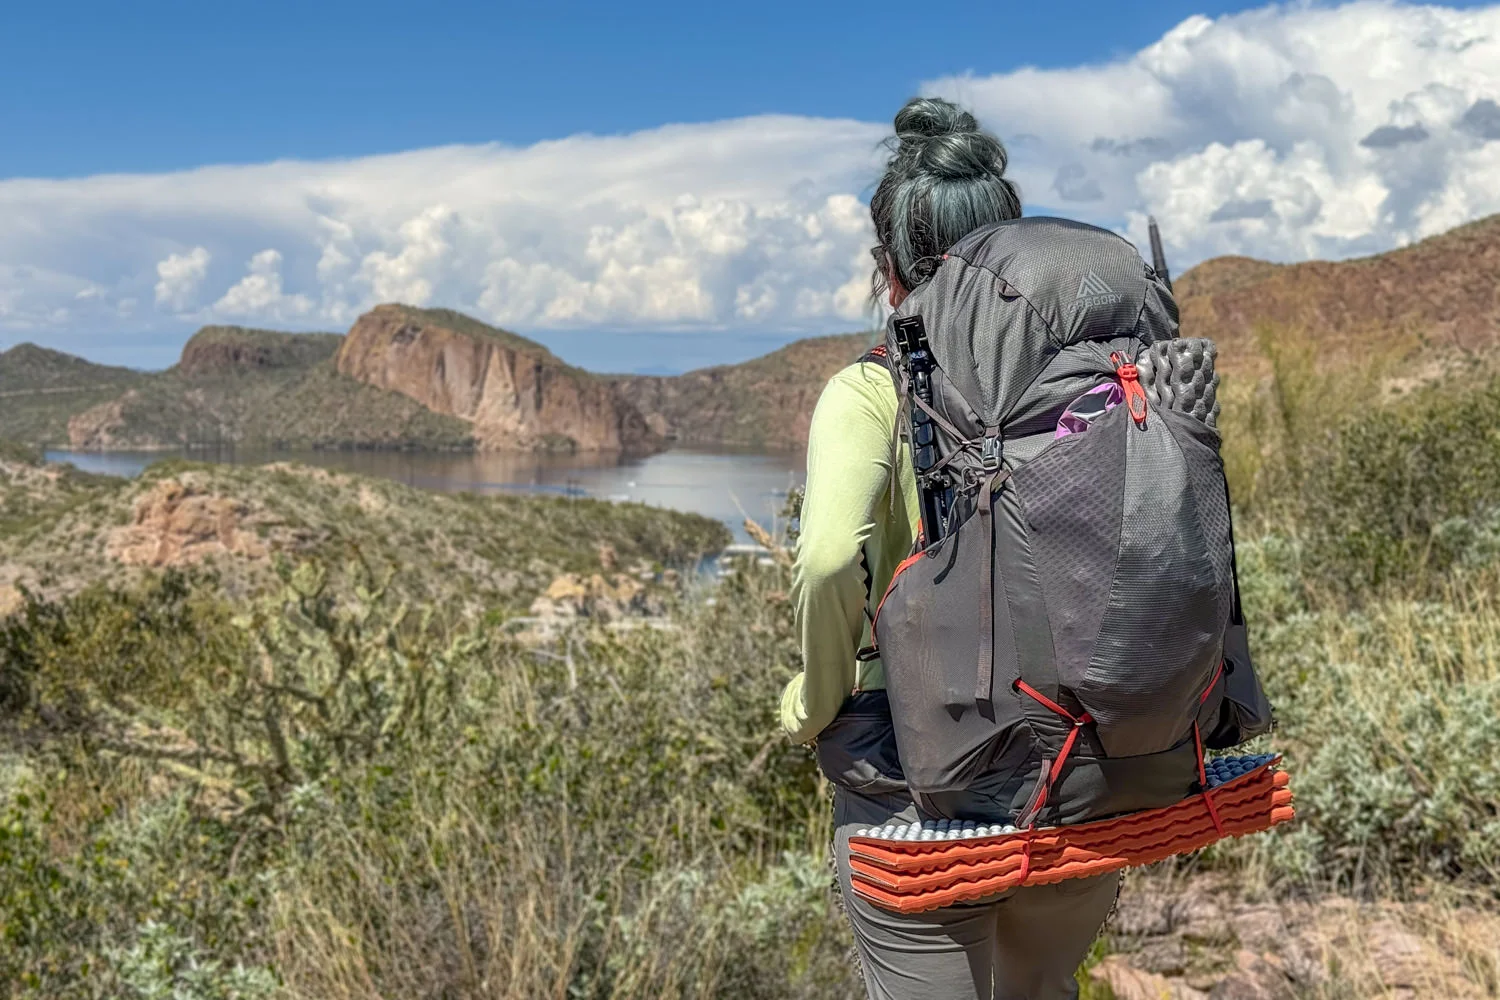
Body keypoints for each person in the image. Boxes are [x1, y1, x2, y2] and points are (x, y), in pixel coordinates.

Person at [781, 97, 1119, 1000]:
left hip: (913, 779)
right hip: (1077, 755)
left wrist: (816, 702)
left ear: (887, 266)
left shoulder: (870, 391)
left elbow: (824, 563)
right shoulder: (1076, 386)